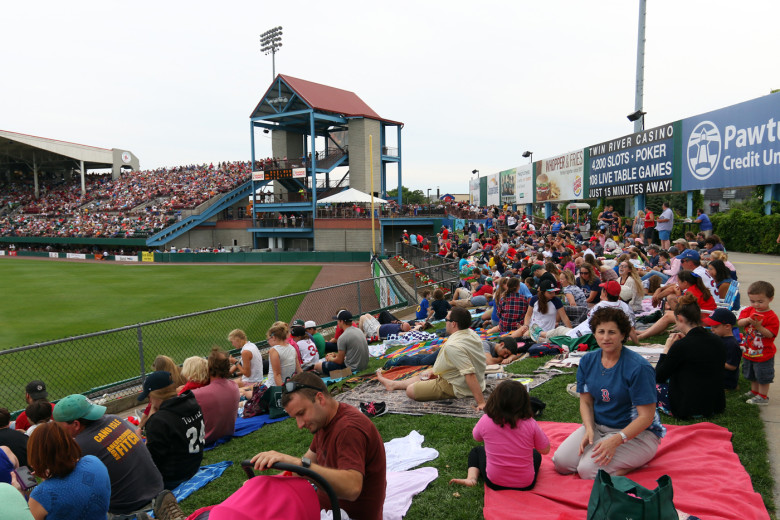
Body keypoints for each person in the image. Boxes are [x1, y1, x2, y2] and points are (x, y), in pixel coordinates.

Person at [250, 373, 386, 520]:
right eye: (295, 417)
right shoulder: (324, 421)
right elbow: (306, 464)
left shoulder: (348, 429)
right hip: (324, 510)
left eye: (301, 413)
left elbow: (352, 489)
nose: (300, 424)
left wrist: (297, 463)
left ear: (320, 398)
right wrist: (265, 486)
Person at [552, 307, 665, 479]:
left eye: (612, 332)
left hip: (637, 434)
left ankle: (631, 465)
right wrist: (589, 428)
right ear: (594, 334)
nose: (605, 337)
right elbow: (586, 401)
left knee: (587, 471)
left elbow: (646, 417)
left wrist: (616, 440)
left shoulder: (639, 368)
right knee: (562, 463)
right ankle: (602, 448)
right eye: (601, 332)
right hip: (599, 426)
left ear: (622, 335)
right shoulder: (588, 361)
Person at [53, 393, 164, 516]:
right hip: (158, 489)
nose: (58, 430)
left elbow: (67, 486)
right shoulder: (114, 419)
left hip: (128, 507)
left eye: (59, 426)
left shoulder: (80, 446)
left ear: (76, 424)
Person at [376, 307, 487, 410]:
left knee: (410, 390)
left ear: (453, 324)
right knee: (427, 374)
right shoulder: (472, 334)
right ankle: (393, 385)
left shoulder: (453, 346)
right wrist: (434, 371)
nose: (445, 322)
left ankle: (398, 384)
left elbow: (469, 373)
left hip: (459, 386)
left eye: (446, 319)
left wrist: (481, 402)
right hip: (474, 381)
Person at [450, 379, 550, 491]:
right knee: (536, 454)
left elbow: (476, 437)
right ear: (525, 402)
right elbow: (545, 450)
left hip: (494, 481)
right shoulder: (530, 423)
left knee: (477, 451)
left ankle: (472, 478)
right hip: (525, 484)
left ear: (494, 399)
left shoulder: (486, 420)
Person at [654, 294, 726, 418]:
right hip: (714, 405)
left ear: (680, 318)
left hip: (687, 407)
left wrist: (666, 349)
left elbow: (658, 376)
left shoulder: (681, 346)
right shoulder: (718, 340)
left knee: (648, 384)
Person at [27, 422, 111, 520]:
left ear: (37, 455)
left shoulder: (40, 496)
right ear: (70, 441)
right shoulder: (94, 461)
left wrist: (19, 494)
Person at [141, 371, 205, 490]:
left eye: (149, 397)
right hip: (194, 465)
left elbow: (152, 461)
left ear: (155, 395)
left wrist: (142, 445)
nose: (149, 401)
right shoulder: (191, 401)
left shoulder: (158, 420)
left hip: (172, 477)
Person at [738, 281, 779, 406]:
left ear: (770, 299)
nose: (756, 304)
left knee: (763, 375)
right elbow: (739, 323)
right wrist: (747, 320)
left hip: (763, 354)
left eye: (760, 302)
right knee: (752, 373)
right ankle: (754, 391)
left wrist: (759, 327)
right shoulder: (749, 311)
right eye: (752, 301)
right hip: (749, 350)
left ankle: (763, 396)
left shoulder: (772, 317)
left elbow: (770, 334)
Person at [191, 347, 240, 444]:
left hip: (206, 439)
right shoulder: (234, 386)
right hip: (227, 432)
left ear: (208, 368)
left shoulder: (198, 393)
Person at [314, 310, 369, 376]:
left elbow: (339, 361)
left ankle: (334, 375)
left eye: (338, 320)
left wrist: (330, 359)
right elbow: (348, 354)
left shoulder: (343, 337)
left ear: (342, 321)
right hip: (363, 366)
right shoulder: (358, 330)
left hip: (351, 370)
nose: (337, 323)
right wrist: (335, 355)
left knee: (317, 366)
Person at [703, 309, 742, 391]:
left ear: (727, 326)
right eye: (711, 326)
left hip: (726, 381)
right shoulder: (719, 336)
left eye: (715, 327)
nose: (711, 329)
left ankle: (729, 388)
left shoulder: (732, 345)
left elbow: (732, 366)